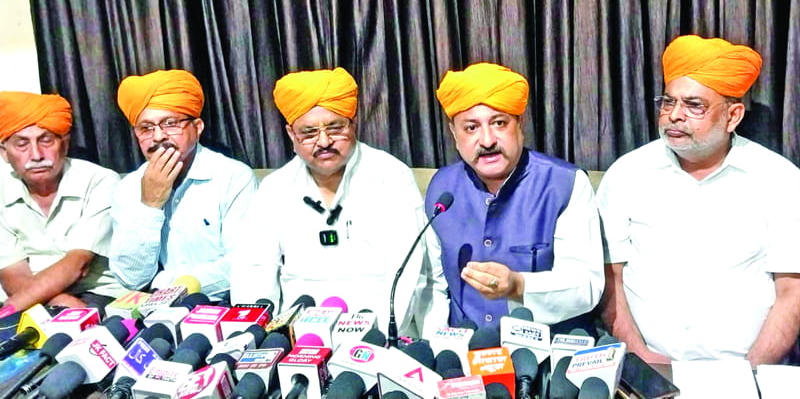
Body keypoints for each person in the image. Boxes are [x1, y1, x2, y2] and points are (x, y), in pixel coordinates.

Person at [597, 35, 800, 365]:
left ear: (733, 116)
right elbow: (611, 277)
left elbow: (792, 292)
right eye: (668, 102)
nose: (675, 116)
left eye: (694, 105)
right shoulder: (627, 174)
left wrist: (749, 372)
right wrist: (639, 356)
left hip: (746, 371)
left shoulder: (780, 180)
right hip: (647, 368)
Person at [230, 67, 448, 337]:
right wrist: (259, 336)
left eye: (335, 128)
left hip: (379, 330)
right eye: (309, 133)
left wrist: (378, 337)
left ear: (353, 125)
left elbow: (409, 271)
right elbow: (254, 271)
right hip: (299, 337)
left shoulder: (391, 177)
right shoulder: (275, 189)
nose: (324, 141)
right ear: (291, 134)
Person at [428, 62, 604, 330]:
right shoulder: (442, 188)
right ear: (454, 133)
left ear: (520, 124)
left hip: (547, 348)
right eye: (471, 128)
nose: (487, 141)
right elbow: (433, 285)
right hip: (465, 347)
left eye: (499, 123)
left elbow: (586, 285)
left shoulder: (565, 184)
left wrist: (518, 286)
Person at [110, 69, 257, 300]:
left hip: (222, 303)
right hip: (153, 309)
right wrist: (149, 205)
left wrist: (171, 286)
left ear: (197, 127)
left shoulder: (232, 177)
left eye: (170, 123)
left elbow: (244, 263)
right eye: (146, 128)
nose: (158, 136)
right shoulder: (128, 187)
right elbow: (130, 278)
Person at [0, 91, 123, 315]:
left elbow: (78, 264)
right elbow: (12, 273)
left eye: (46, 140)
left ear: (64, 145)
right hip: (25, 296)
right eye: (22, 144)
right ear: (4, 153)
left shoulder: (100, 181)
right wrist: (60, 302)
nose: (36, 155)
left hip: (96, 293)